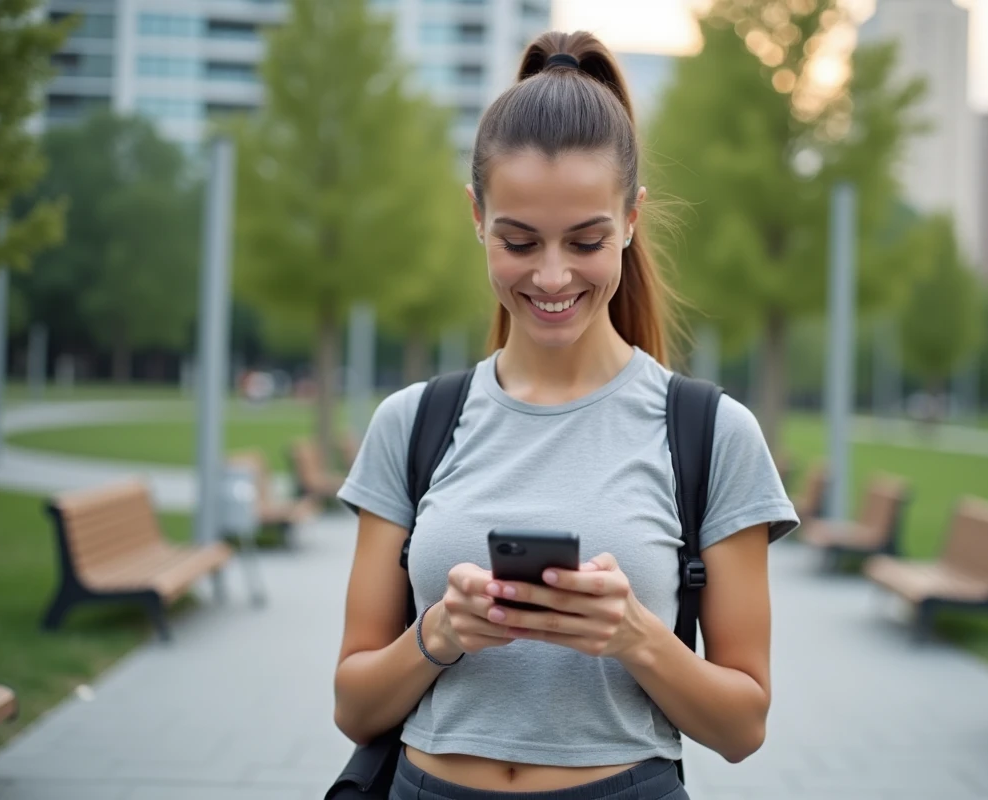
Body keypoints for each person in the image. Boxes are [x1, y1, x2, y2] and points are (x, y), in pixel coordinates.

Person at [333, 30, 799, 800]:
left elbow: (742, 728)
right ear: (476, 217)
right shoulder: (411, 424)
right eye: (519, 241)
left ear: (633, 220)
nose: (552, 276)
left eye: (587, 241)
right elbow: (354, 706)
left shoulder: (712, 435)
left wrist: (636, 637)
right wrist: (438, 635)